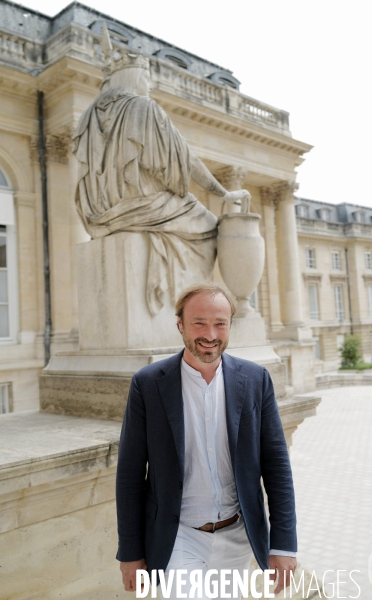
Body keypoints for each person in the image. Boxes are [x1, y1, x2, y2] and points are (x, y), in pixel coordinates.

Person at [116, 282, 297, 598]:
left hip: (238, 536)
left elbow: (277, 466)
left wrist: (284, 543)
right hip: (179, 538)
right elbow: (130, 474)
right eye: (199, 322)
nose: (210, 334)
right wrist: (130, 552)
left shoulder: (256, 380)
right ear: (180, 324)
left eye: (220, 324)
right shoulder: (147, 385)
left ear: (230, 326)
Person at [72, 43, 249, 315]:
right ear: (132, 76)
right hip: (145, 206)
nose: (150, 85)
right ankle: (207, 308)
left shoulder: (88, 115)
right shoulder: (143, 107)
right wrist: (224, 193)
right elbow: (186, 160)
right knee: (211, 225)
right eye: (146, 77)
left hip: (102, 214)